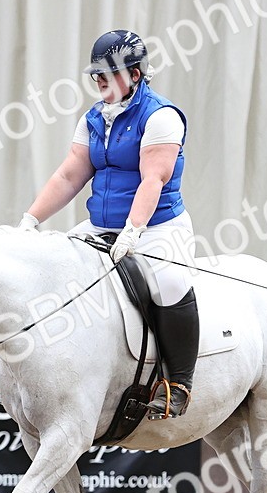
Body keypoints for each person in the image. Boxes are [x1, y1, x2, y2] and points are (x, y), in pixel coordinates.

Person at [16, 29, 199, 419]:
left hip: (158, 227)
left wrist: (133, 231)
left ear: (135, 74)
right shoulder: (94, 118)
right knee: (52, 268)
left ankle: (179, 383)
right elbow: (70, 175)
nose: (99, 80)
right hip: (100, 224)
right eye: (96, 73)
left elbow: (154, 178)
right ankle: (28, 373)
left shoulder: (161, 116)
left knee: (168, 282)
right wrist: (30, 220)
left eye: (109, 72)